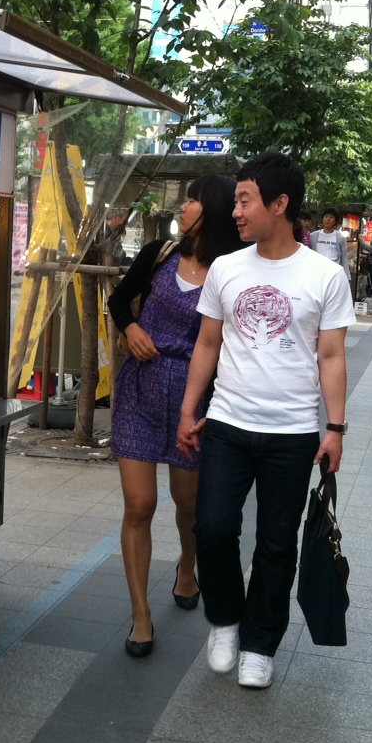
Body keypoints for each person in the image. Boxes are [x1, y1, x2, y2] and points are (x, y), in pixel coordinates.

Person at [176, 152, 354, 689]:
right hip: (227, 423)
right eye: (236, 200)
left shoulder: (324, 276)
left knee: (277, 543)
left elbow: (331, 356)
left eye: (245, 199)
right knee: (213, 528)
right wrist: (190, 409)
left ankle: (260, 642)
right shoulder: (227, 268)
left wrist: (336, 429)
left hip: (293, 431)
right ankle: (225, 620)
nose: (235, 210)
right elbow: (208, 343)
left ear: (280, 205)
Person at [108, 174, 245, 658]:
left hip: (196, 400)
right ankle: (141, 615)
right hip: (141, 392)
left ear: (212, 208)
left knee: (188, 505)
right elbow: (119, 298)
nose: (184, 207)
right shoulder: (160, 253)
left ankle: (188, 566)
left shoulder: (233, 270)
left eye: (192, 200)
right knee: (139, 505)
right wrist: (129, 328)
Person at [310, 207, 350, 279]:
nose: (328, 219)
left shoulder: (340, 237)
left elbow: (344, 257)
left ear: (335, 221)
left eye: (331, 217)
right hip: (317, 272)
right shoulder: (313, 236)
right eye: (326, 216)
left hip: (333, 273)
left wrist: (347, 277)